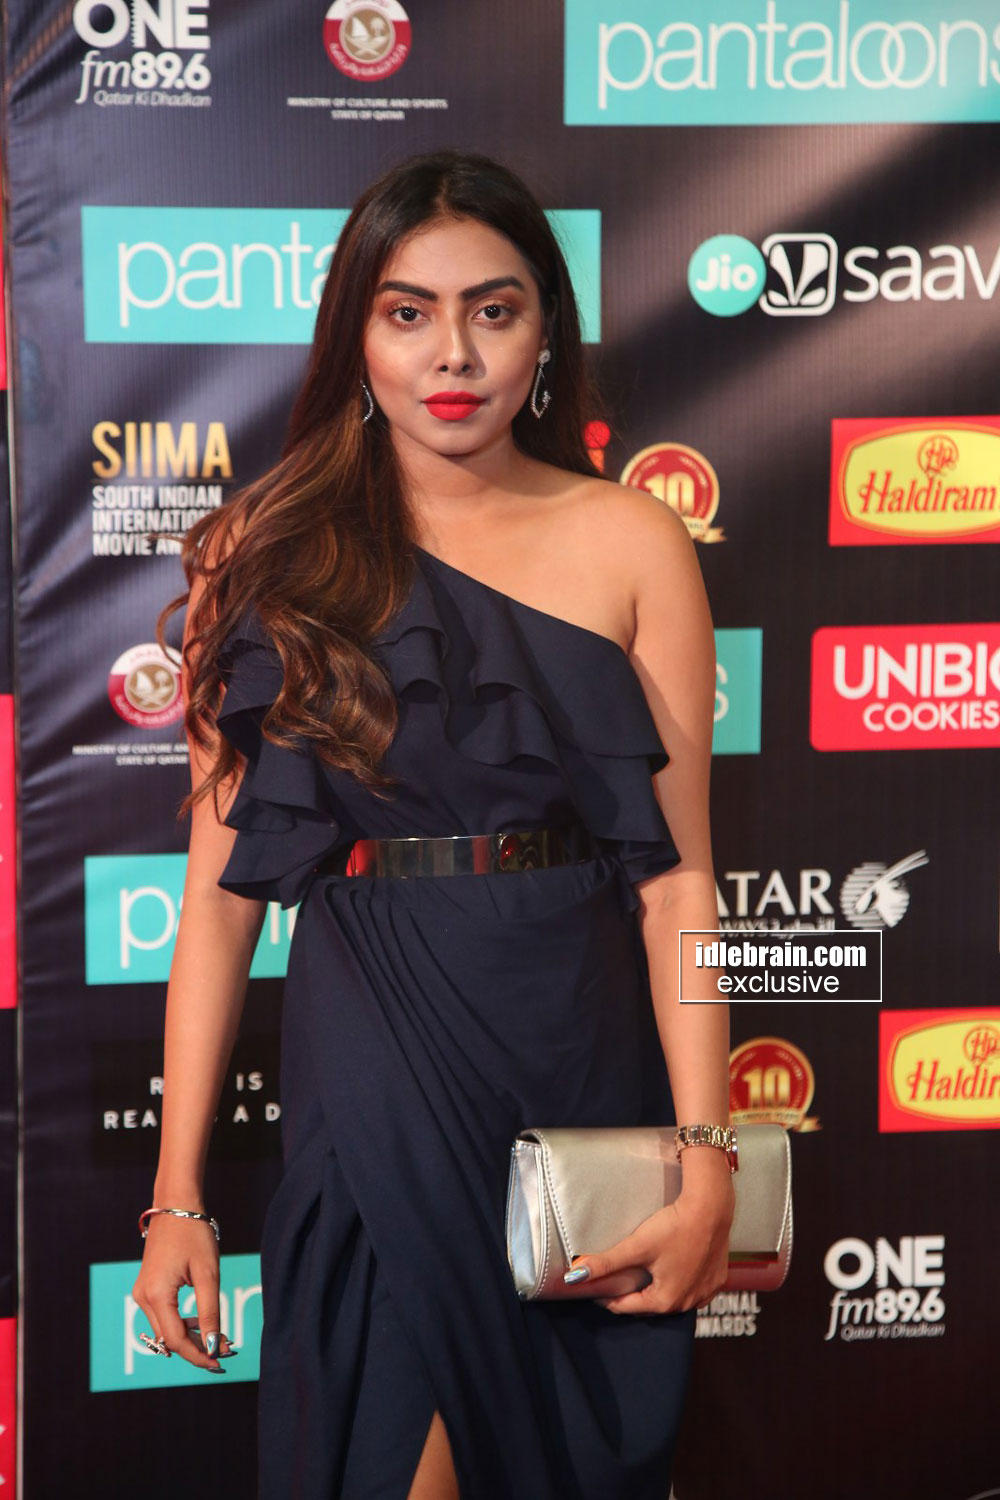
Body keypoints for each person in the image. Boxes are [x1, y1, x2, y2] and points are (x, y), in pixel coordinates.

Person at [133, 149, 734, 1500]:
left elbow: (681, 883)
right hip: (375, 1045)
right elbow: (219, 905)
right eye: (408, 313)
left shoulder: (633, 541)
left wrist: (709, 1154)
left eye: (493, 310)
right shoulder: (261, 548)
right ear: (357, 334)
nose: (452, 353)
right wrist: (178, 1196)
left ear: (545, 332)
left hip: (576, 1053)